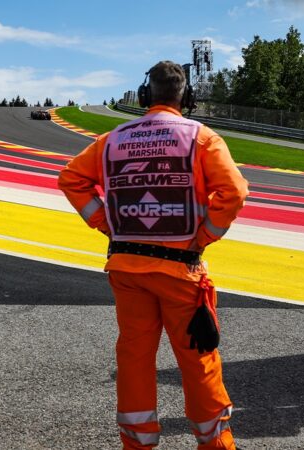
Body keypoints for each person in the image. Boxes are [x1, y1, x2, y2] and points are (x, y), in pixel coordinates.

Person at [59, 60, 248, 449]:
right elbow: (235, 191)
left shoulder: (112, 139)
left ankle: (138, 442)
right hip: (180, 270)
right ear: (187, 97)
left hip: (126, 266)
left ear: (145, 95)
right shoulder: (201, 137)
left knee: (134, 357)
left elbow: (71, 179)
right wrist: (203, 236)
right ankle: (215, 444)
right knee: (198, 359)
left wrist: (105, 223)